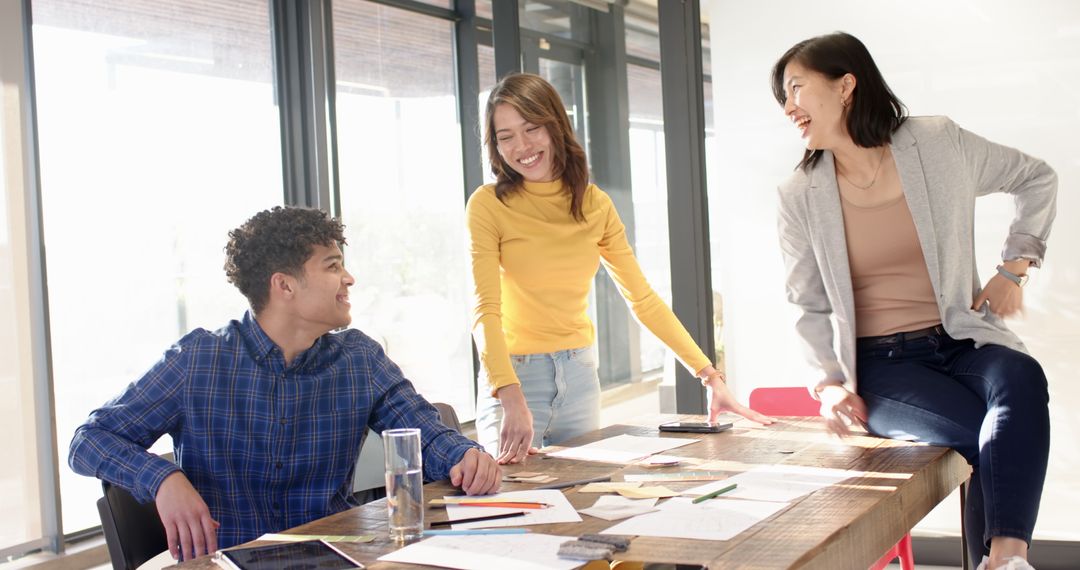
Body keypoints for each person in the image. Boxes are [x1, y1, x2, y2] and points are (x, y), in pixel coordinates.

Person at [69, 206, 500, 561]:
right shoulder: (198, 361)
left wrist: (466, 455)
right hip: (231, 560)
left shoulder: (359, 358)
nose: (349, 279)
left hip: (334, 556)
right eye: (333, 267)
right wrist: (163, 479)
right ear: (285, 286)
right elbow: (88, 440)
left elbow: (423, 430)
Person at [771, 32, 1055, 570]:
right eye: (783, 97)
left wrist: (1014, 269)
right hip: (881, 366)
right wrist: (828, 383)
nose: (788, 108)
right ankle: (1005, 562)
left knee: (1021, 375)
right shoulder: (799, 196)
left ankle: (1004, 559)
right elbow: (805, 302)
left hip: (958, 338)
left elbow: (1035, 177)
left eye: (797, 88)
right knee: (982, 431)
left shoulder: (937, 143)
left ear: (846, 84)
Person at [467, 72, 773, 465]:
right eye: (505, 136)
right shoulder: (488, 204)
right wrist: (509, 394)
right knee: (510, 503)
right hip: (514, 379)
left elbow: (642, 299)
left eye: (532, 128)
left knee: (582, 502)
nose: (521, 146)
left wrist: (709, 376)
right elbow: (484, 309)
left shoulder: (595, 204)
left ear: (556, 126)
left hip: (578, 376)